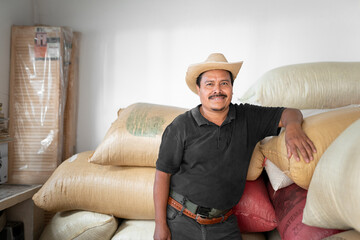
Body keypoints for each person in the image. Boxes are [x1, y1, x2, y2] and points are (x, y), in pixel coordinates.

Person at [153, 53, 316, 240]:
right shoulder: (180, 126)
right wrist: (160, 224)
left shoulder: (247, 118)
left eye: (224, 83)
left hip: (223, 224)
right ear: (198, 89)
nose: (218, 90)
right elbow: (162, 174)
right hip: (182, 219)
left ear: (231, 87)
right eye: (209, 84)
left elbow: (290, 113)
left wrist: (293, 127)